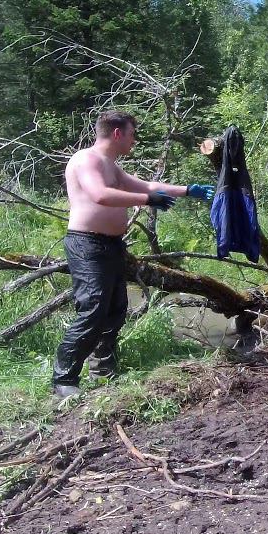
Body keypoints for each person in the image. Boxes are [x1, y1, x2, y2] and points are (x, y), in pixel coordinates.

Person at [52, 110, 215, 398]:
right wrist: (148, 200)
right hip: (87, 244)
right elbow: (99, 194)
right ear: (117, 133)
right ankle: (64, 380)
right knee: (92, 308)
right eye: (132, 134)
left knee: (115, 309)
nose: (134, 140)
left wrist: (189, 190)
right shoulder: (86, 159)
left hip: (111, 246)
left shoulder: (111, 166)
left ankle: (103, 371)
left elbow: (148, 186)